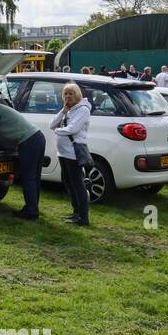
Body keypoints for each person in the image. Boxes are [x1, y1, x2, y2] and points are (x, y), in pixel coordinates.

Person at [50, 82, 91, 227]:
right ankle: (76, 212)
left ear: (78, 94)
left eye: (71, 93)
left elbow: (72, 129)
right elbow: (52, 124)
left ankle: (83, 217)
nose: (68, 96)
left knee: (77, 184)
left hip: (73, 153)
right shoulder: (69, 109)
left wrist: (57, 131)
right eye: (66, 94)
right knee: (69, 183)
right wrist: (63, 110)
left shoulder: (83, 110)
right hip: (63, 153)